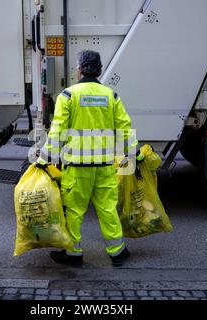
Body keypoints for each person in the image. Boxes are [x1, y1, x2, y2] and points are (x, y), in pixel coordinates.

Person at [36, 50, 143, 267]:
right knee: (107, 209)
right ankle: (117, 252)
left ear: (80, 69)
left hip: (77, 168)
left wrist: (44, 158)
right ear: (99, 70)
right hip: (104, 166)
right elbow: (124, 127)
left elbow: (57, 131)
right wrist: (135, 154)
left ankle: (73, 254)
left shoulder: (68, 96)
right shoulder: (110, 95)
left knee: (74, 211)